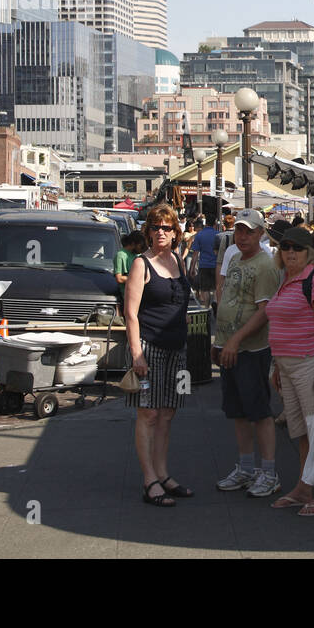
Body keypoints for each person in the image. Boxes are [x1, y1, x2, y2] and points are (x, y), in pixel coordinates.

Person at [265, 225, 314, 517]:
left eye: (297, 248)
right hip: (287, 365)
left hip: (310, 364)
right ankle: (304, 487)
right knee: (303, 432)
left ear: (308, 252)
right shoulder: (286, 280)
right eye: (285, 247)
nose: (290, 253)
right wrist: (276, 366)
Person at [124, 203, 194, 508]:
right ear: (148, 231)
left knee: (167, 412)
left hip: (176, 348)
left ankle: (163, 473)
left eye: (166, 227)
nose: (161, 233)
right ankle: (149, 479)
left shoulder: (178, 259)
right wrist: (137, 353)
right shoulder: (142, 263)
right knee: (148, 413)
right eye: (155, 227)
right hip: (150, 348)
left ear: (175, 231)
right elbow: (130, 312)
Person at [214, 209, 285, 499]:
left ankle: (268, 473)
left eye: (249, 231)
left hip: (252, 350)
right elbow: (228, 299)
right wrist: (220, 341)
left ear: (261, 234)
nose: (242, 236)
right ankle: (245, 468)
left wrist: (236, 340)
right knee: (237, 411)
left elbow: (265, 311)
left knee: (259, 412)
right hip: (229, 347)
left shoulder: (266, 265)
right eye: (239, 231)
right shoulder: (233, 258)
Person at [191, 215, 219, 306]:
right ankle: (215, 303)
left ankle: (206, 307)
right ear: (214, 223)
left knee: (205, 288)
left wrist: (192, 268)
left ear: (205, 223)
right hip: (216, 265)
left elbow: (195, 254)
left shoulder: (200, 235)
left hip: (204, 265)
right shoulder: (218, 235)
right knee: (215, 287)